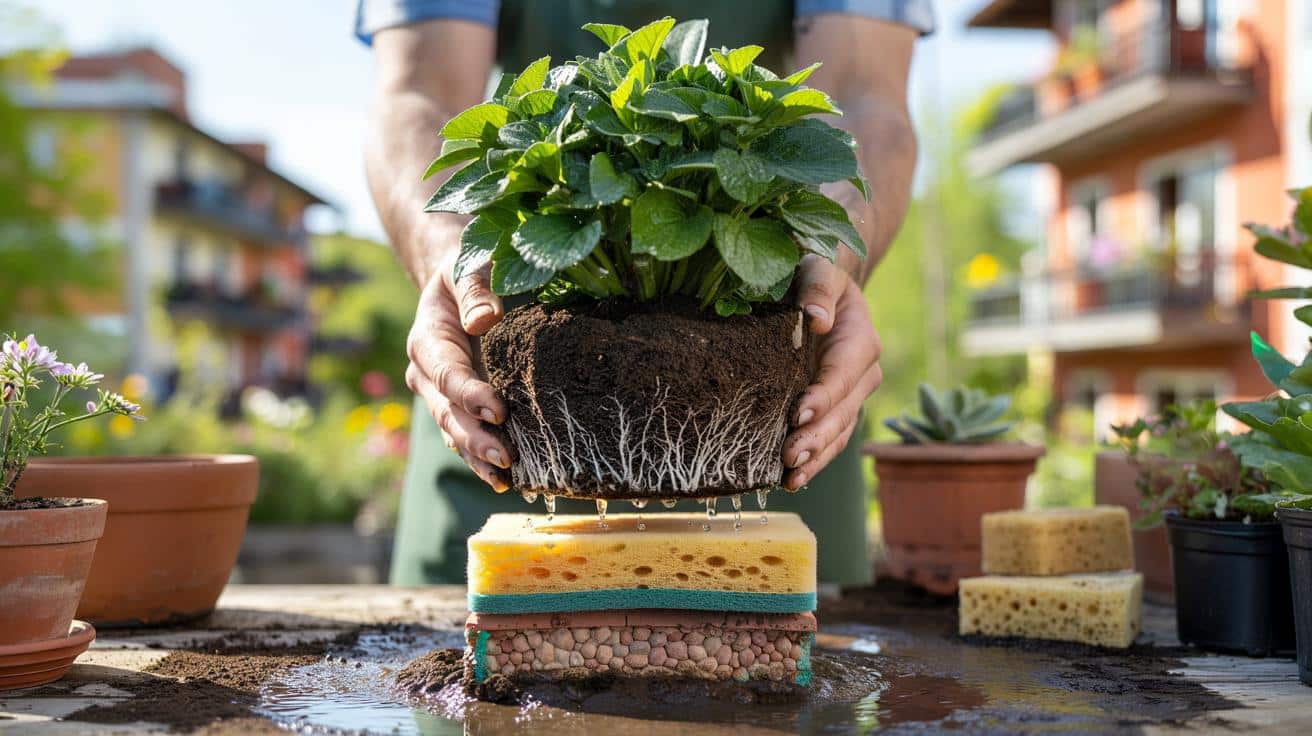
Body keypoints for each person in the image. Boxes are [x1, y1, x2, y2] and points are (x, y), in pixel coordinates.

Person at [359, 0, 931, 586]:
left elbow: (864, 98)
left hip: (774, 453)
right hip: (502, 427)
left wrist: (833, 253)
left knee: (797, 652)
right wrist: (456, 257)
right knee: (473, 660)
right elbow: (418, 94)